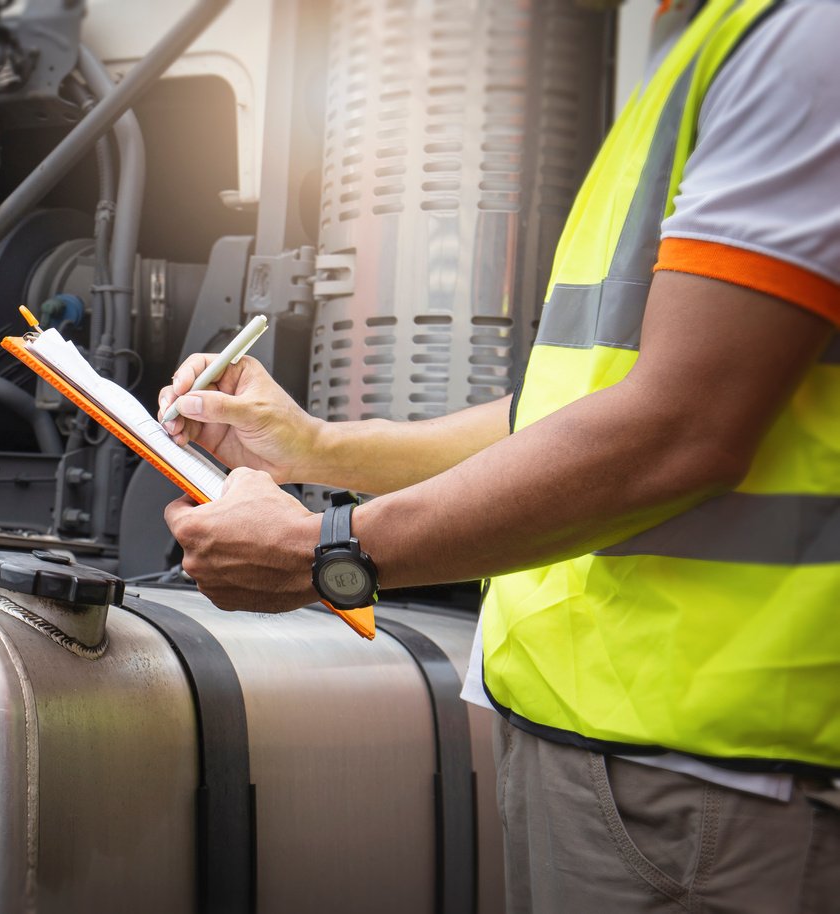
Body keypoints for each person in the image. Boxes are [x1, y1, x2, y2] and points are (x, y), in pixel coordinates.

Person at [158, 0, 840, 910]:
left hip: (721, 780)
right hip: (605, 749)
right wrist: (311, 447)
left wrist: (323, 554)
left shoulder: (804, 37)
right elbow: (567, 410)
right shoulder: (702, 48)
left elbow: (683, 427)